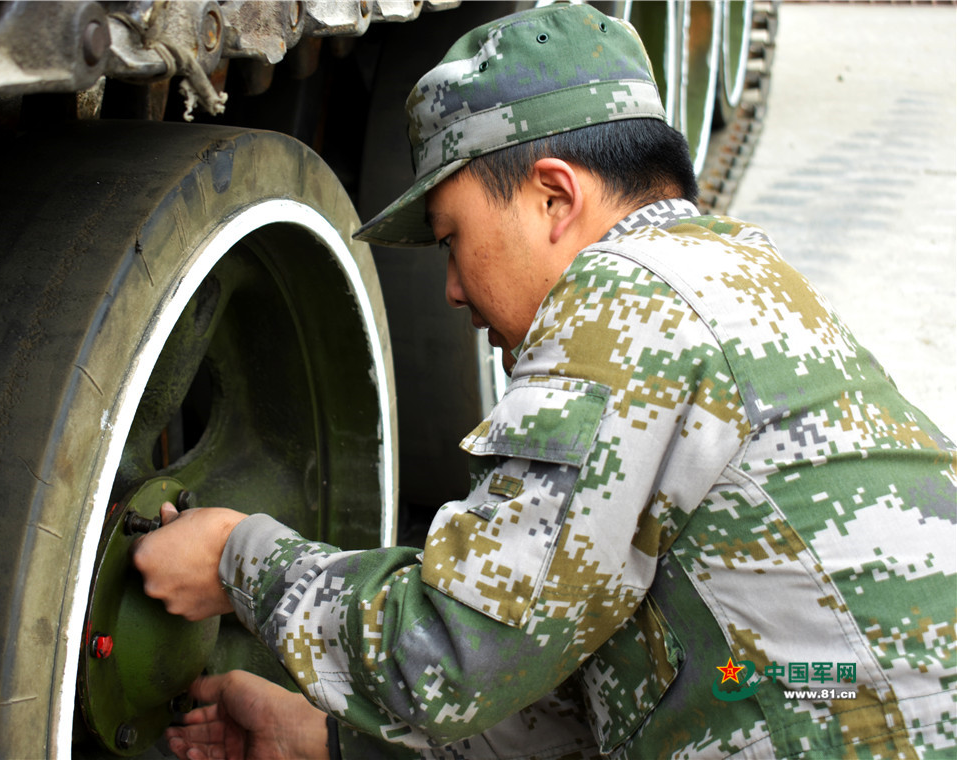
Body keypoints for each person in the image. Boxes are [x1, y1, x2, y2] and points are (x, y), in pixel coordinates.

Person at [132, 4, 957, 758]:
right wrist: (325, 742)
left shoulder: (624, 300)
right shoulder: (733, 273)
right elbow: (586, 698)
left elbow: (456, 653)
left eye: (454, 238)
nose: (452, 289)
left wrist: (239, 562)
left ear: (556, 198)